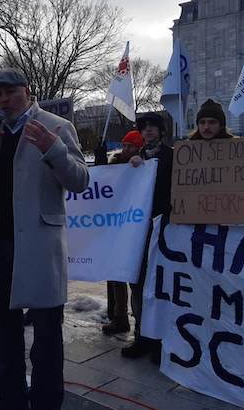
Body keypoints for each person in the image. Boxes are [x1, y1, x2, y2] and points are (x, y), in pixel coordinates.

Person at [0, 68, 89, 410]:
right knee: (2, 333)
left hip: (39, 246)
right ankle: (10, 399)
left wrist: (53, 148)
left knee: (46, 336)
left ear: (27, 91)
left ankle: (46, 402)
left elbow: (79, 180)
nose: (3, 99)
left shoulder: (57, 126)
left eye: (9, 91)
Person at [123, 113, 173, 364]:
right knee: (139, 282)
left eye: (153, 127)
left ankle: (161, 339)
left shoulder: (173, 156)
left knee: (161, 284)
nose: (149, 131)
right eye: (145, 128)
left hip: (164, 229)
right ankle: (142, 335)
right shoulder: (136, 159)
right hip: (139, 232)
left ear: (161, 132)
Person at [102, 130, 143, 336]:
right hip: (116, 226)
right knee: (115, 274)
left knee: (134, 278)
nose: (127, 149)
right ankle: (118, 316)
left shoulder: (143, 166)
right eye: (125, 145)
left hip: (135, 226)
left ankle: (139, 323)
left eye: (132, 146)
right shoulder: (115, 165)